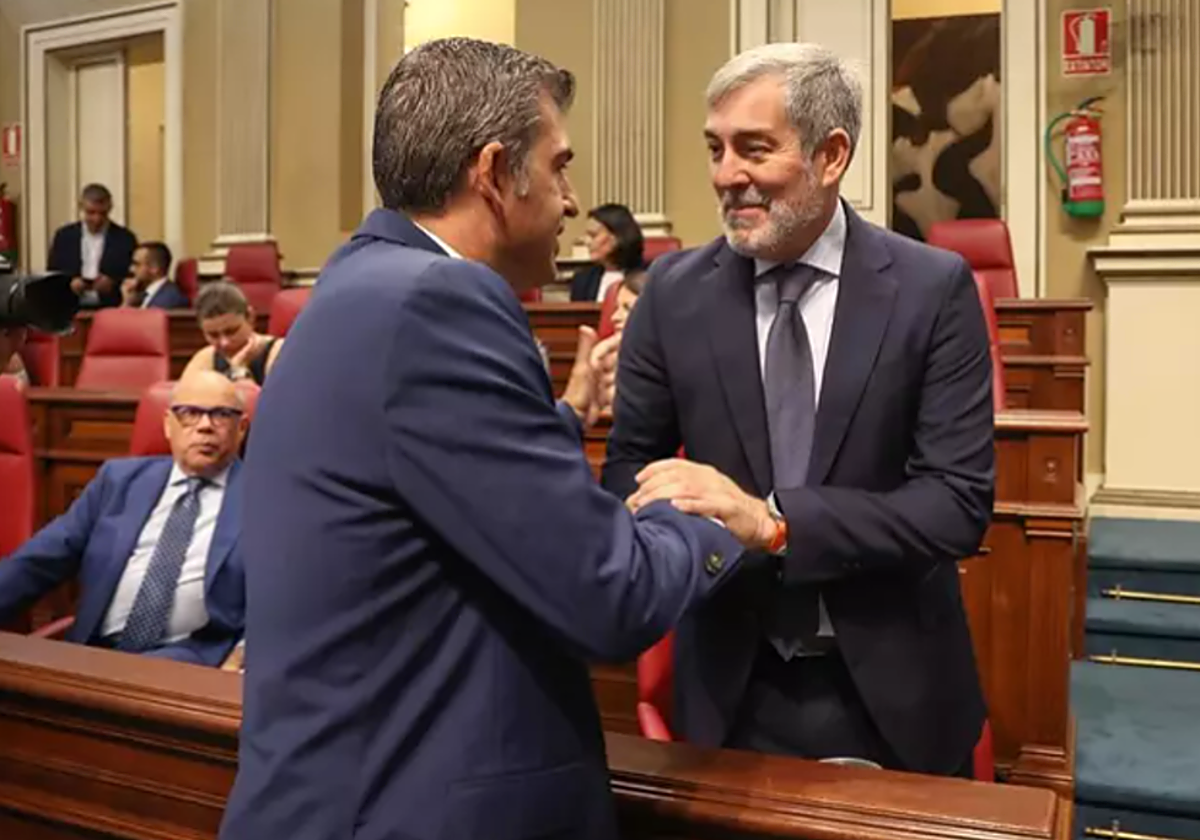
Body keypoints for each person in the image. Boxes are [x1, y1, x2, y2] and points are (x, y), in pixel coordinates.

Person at [219, 38, 751, 840]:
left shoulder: (351, 285)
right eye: (560, 165)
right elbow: (611, 594)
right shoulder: (442, 301)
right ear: (498, 172)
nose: (573, 201)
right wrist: (720, 519)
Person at [603, 42, 995, 778]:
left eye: (754, 149)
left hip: (894, 691)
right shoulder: (673, 294)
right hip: (726, 691)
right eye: (715, 149)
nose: (727, 175)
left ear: (831, 154)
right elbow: (630, 469)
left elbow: (957, 503)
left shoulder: (931, 290)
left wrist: (777, 523)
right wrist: (697, 533)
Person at [0, 371, 248, 666]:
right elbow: (41, 559)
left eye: (221, 415)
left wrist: (243, 655)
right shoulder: (119, 480)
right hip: (91, 654)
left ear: (241, 428)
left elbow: (283, 600)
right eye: (190, 413)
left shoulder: (264, 500)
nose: (205, 426)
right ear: (168, 424)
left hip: (188, 664)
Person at [46, 183, 138, 309]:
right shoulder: (64, 236)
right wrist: (70, 283)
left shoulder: (125, 238)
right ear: (81, 207)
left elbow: (134, 274)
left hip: (110, 306)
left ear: (110, 208)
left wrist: (113, 283)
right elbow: (52, 273)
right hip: (71, 305)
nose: (97, 219)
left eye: (102, 213)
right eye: (91, 212)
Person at [181, 281, 283, 386]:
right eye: (213, 335)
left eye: (231, 331)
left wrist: (239, 371)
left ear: (250, 317)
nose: (224, 343)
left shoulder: (280, 352)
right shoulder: (205, 359)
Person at [569, 203, 645, 301]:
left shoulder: (647, 277)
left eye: (593, 235)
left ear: (617, 238)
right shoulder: (582, 280)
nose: (586, 242)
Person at [121, 242, 190, 309]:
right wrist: (127, 302)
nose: (131, 269)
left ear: (154, 268)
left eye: (137, 264)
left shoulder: (168, 299)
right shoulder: (140, 295)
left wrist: (126, 304)